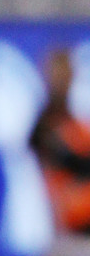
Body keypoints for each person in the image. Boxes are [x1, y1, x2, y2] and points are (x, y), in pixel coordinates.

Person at [30, 48, 90, 234]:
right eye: (57, 74)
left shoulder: (77, 120)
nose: (62, 81)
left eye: (65, 73)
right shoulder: (45, 124)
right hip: (67, 221)